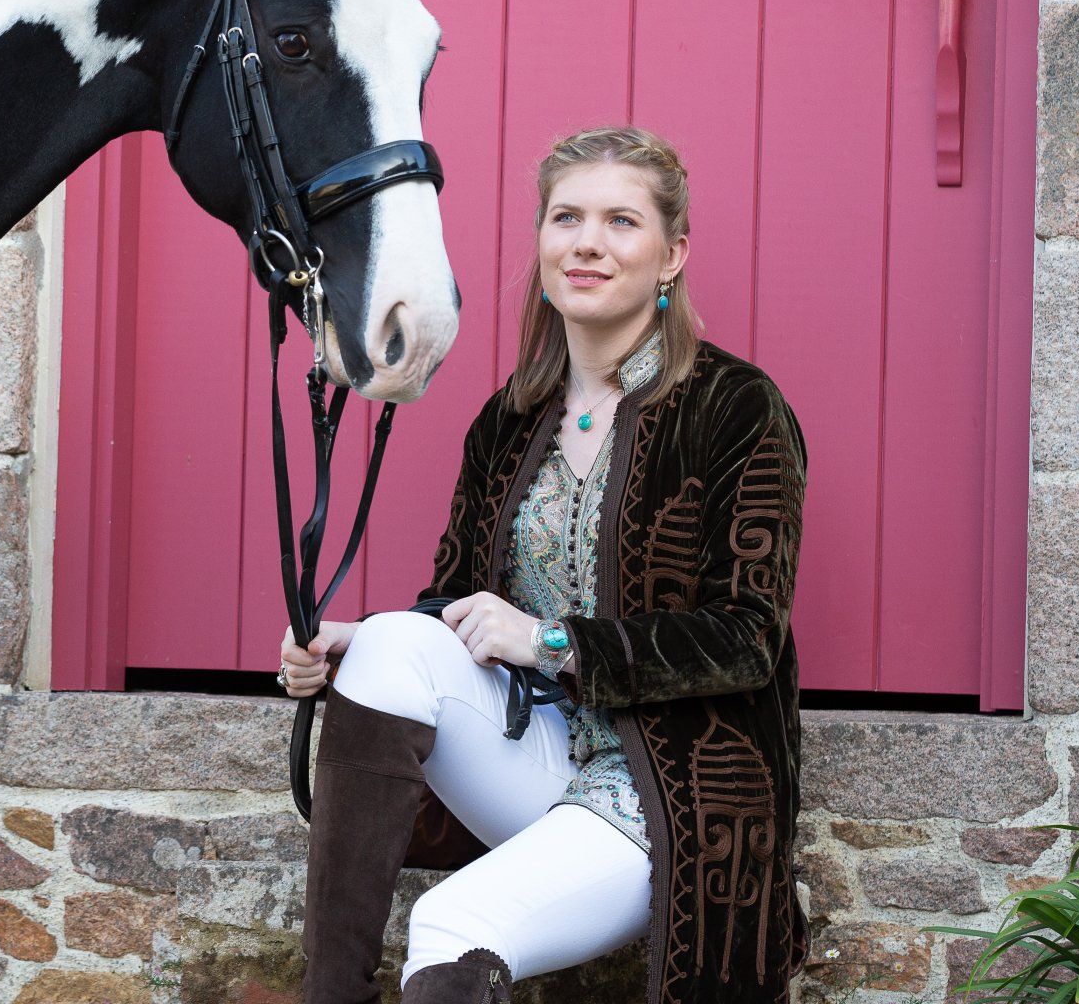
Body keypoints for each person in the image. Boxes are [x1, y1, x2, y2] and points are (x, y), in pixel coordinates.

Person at [280, 125, 810, 1004]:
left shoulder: (735, 408)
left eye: (620, 222)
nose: (587, 242)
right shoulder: (510, 418)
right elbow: (449, 601)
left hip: (666, 784)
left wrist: (554, 640)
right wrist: (355, 644)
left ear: (672, 255)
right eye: (566, 217)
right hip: (535, 749)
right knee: (388, 643)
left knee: (452, 923)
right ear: (541, 241)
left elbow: (746, 638)